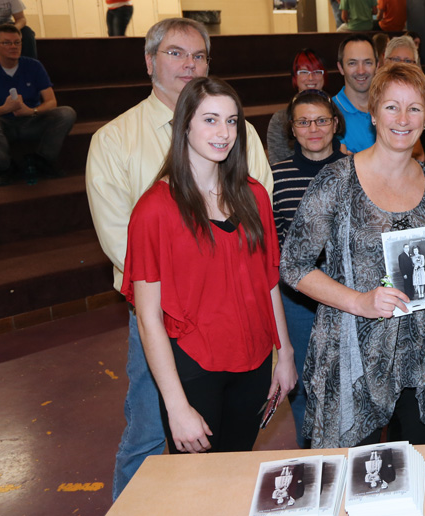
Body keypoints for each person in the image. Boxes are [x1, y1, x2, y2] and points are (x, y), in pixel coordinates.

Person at [86, 17, 273, 500]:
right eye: (175, 53)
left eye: (199, 55)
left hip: (239, 319)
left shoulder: (241, 131)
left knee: (231, 459)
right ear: (150, 61)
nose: (188, 64)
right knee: (152, 430)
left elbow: (257, 222)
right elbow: (121, 241)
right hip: (168, 318)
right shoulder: (114, 139)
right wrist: (186, 308)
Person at [280, 62, 425, 448]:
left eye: (414, 108)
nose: (403, 118)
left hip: (422, 355)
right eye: (392, 106)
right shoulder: (336, 180)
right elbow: (293, 265)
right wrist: (360, 302)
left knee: (412, 469)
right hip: (354, 355)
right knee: (355, 478)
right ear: (374, 113)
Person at [122, 77, 296, 455]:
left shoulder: (254, 195)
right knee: (198, 487)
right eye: (211, 120)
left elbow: (268, 282)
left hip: (253, 361)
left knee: (236, 468)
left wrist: (286, 355)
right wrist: (176, 406)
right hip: (195, 367)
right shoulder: (154, 210)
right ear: (185, 124)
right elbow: (148, 317)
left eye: (232, 121)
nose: (224, 132)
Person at [270, 89, 346, 447]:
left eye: (321, 120)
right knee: (302, 387)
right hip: (297, 302)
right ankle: (315, 464)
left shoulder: (358, 170)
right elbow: (272, 248)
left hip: (350, 298)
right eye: (303, 121)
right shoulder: (275, 178)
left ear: (335, 124)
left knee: (352, 384)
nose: (313, 128)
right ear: (292, 129)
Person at [0, 24, 76, 185]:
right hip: (2, 124)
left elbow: (51, 101)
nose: (14, 47)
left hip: (31, 122)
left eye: (17, 42)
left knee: (66, 113)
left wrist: (31, 111)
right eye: (7, 43)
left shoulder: (33, 66)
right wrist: (3, 109)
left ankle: (43, 160)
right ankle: (5, 168)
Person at [267, 50, 328, 165]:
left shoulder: (335, 113)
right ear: (294, 77)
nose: (311, 78)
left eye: (317, 71)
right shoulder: (280, 119)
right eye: (304, 72)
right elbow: (278, 164)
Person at [332, 34, 378, 153]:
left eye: (368, 62)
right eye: (352, 63)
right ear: (341, 68)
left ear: (377, 66)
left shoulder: (390, 107)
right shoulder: (329, 112)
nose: (361, 71)